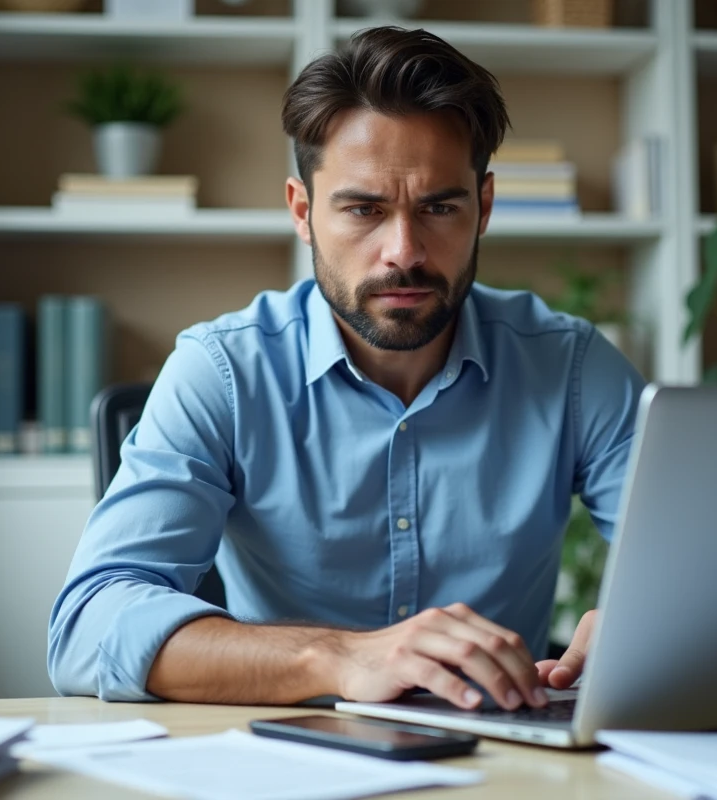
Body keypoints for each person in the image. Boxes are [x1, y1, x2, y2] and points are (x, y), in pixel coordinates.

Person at [48, 26, 645, 712]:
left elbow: (714, 576)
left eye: (439, 208)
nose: (403, 251)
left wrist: (658, 619)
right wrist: (338, 657)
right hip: (279, 752)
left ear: (483, 207)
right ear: (303, 212)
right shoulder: (222, 372)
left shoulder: (570, 366)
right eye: (364, 209)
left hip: (504, 750)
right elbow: (86, 628)